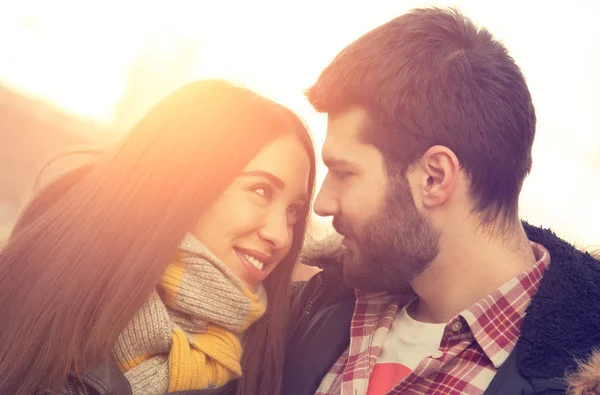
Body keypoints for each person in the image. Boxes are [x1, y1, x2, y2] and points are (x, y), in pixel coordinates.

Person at [283, 7, 600, 395]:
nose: (323, 203)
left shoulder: (577, 376)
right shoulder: (314, 309)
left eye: (345, 173)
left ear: (434, 177)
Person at [0, 79, 316, 395]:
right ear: (189, 182)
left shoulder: (265, 365)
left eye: (294, 212)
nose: (281, 236)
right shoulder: (33, 291)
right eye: (260, 190)